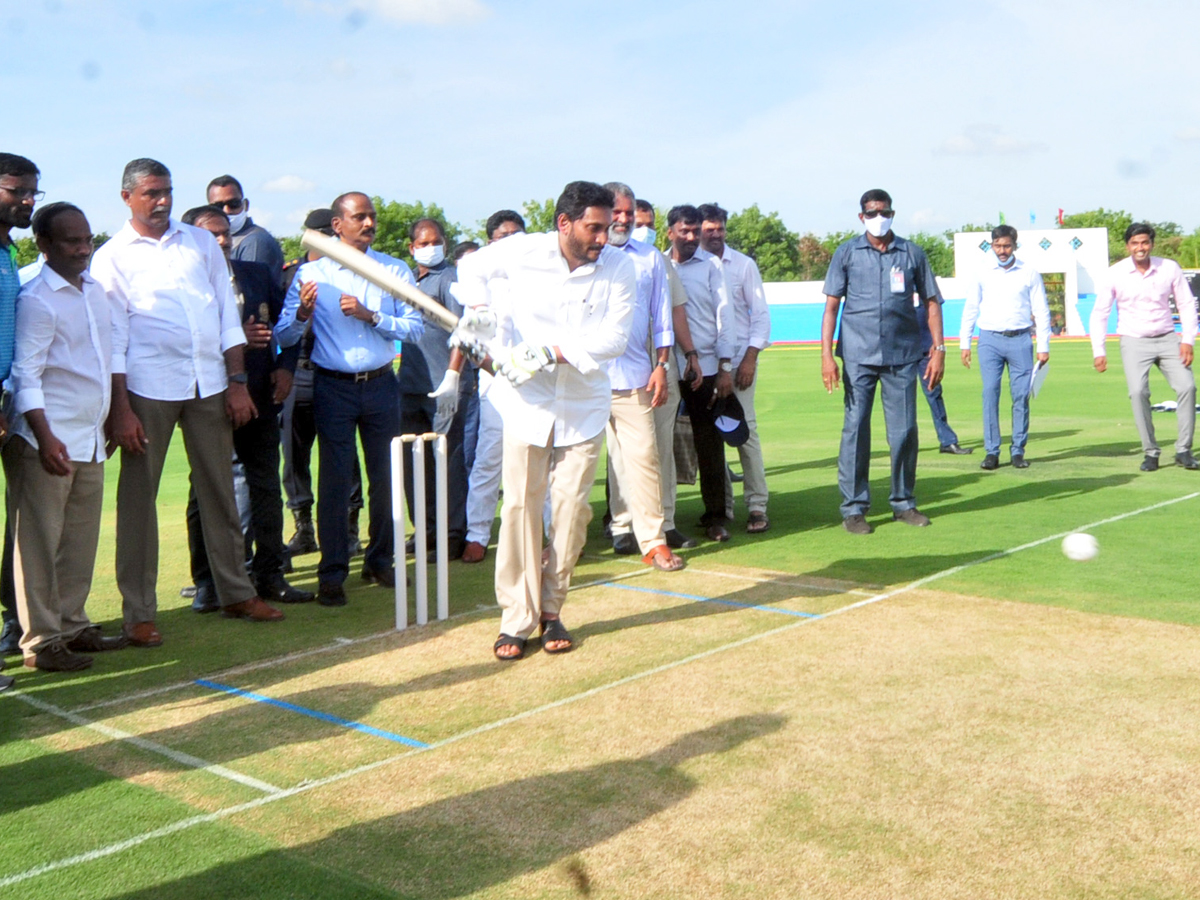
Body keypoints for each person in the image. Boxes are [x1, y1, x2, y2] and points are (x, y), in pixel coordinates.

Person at [92, 158, 284, 647]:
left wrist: (237, 381)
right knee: (139, 502)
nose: (162, 201)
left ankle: (235, 592)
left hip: (210, 383)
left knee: (220, 491)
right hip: (145, 389)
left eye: (167, 192)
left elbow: (225, 315)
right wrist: (120, 409)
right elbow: (113, 338)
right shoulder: (111, 256)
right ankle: (138, 612)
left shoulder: (199, 242)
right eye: (151, 193)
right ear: (127, 197)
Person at [454, 181, 634, 660]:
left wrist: (549, 352)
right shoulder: (521, 251)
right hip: (526, 402)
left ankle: (552, 609)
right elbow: (470, 268)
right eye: (594, 228)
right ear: (564, 223)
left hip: (584, 405)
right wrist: (481, 314)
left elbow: (614, 339)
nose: (604, 237)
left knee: (571, 512)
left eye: (608, 226)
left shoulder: (620, 266)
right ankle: (517, 618)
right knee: (518, 508)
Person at [274, 191, 424, 605]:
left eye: (372, 216)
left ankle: (379, 561)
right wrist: (302, 315)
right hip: (332, 386)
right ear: (337, 225)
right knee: (336, 480)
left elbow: (415, 327)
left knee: (385, 477)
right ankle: (332, 572)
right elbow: (282, 336)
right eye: (360, 217)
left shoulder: (393, 270)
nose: (369, 224)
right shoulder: (312, 274)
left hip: (380, 383)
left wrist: (371, 316)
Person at [4, 202, 128, 671]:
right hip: (45, 441)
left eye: (87, 240)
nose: (82, 249)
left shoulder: (96, 291)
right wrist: (43, 433)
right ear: (44, 245)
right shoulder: (37, 299)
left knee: (78, 542)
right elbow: (26, 375)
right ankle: (40, 643)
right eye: (71, 242)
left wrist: (113, 415)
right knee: (36, 545)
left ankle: (73, 626)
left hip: (89, 437)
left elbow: (107, 356)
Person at [179, 205, 311, 609]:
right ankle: (207, 582)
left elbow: (287, 327)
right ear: (190, 237)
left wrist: (285, 368)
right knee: (206, 489)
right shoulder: (180, 282)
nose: (221, 241)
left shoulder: (254, 272)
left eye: (225, 234)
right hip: (207, 396)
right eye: (211, 234)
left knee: (265, 484)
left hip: (259, 393)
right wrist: (234, 338)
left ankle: (270, 574)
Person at [821, 189, 944, 534]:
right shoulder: (847, 253)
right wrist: (826, 356)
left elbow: (932, 303)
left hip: (902, 355)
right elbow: (831, 307)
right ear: (862, 216)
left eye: (884, 211)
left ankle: (903, 503)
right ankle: (854, 508)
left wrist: (939, 349)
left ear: (893, 213)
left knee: (904, 430)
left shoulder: (911, 253)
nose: (879, 217)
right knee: (856, 430)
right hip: (858, 357)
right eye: (872, 212)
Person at [601, 182, 683, 570]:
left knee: (645, 458)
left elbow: (662, 317)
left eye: (628, 213)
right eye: (615, 212)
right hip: (584, 378)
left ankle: (652, 540)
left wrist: (662, 366)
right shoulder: (585, 253)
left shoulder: (649, 258)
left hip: (635, 376)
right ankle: (559, 540)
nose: (622, 219)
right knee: (571, 466)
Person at [279, 209, 364, 564]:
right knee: (294, 454)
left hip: (335, 372)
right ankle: (303, 528)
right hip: (299, 369)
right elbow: (281, 331)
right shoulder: (293, 275)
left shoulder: (354, 271)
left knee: (343, 454)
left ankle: (349, 528)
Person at [1090, 222, 1199, 471]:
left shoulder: (1168, 268)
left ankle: (1183, 450)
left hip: (1168, 337)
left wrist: (1187, 340)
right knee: (1138, 392)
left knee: (1187, 387)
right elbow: (1100, 313)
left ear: (1152, 243)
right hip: (1134, 340)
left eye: (1145, 242)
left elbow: (1186, 304)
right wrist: (1099, 351)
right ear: (1128, 246)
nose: (1141, 248)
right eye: (1135, 243)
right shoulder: (1115, 273)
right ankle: (1151, 452)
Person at [399, 217, 471, 560]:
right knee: (414, 461)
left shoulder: (450, 279)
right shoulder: (407, 279)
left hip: (443, 384)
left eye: (435, 241)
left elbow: (463, 331)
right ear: (412, 248)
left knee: (447, 460)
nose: (430, 248)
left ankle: (452, 533)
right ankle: (425, 531)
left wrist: (453, 376)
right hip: (411, 384)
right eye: (423, 243)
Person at [698, 203, 772, 534]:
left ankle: (757, 505)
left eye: (720, 229)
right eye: (708, 230)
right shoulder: (688, 265)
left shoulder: (742, 266)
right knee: (708, 437)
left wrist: (750, 359)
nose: (715, 235)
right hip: (700, 366)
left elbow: (761, 316)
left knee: (745, 433)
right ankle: (722, 508)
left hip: (739, 363)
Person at [628, 200, 696, 549]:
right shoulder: (604, 260)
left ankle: (665, 523)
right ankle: (623, 525)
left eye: (647, 222)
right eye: (634, 221)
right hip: (620, 373)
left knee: (662, 449)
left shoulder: (658, 261)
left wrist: (690, 355)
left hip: (661, 366)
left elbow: (676, 312)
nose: (641, 227)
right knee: (622, 454)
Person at [461, 210, 527, 564]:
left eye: (519, 235)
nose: (513, 243)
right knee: (488, 461)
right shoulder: (477, 281)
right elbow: (468, 341)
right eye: (505, 237)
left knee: (541, 463)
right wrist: (492, 367)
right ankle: (477, 534)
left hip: (538, 382)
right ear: (491, 243)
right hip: (496, 385)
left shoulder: (541, 278)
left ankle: (547, 534)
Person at [667, 204, 735, 543]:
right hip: (666, 366)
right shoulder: (658, 264)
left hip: (706, 366)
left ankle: (716, 517)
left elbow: (725, 315)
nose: (692, 237)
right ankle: (655, 521)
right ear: (671, 233)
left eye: (696, 231)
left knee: (709, 444)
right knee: (655, 444)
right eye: (685, 231)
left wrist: (725, 367)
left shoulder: (711, 266)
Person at [960, 225, 1050, 469]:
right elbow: (971, 307)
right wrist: (964, 342)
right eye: (998, 246)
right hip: (989, 339)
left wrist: (1043, 345)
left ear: (1015, 246)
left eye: (1007, 246)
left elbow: (1041, 310)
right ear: (992, 246)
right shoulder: (982, 272)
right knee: (990, 393)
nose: (1002, 250)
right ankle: (992, 451)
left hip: (1020, 340)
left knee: (1020, 396)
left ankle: (1018, 450)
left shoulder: (1029, 273)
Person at [0, 153, 40, 679]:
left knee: (17, 524)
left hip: (10, 403)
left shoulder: (9, 248)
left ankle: (19, 625)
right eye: (16, 190)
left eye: (33, 191)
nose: (27, 199)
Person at [916, 299, 971, 456]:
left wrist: (936, 342)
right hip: (900, 349)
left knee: (933, 393)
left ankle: (947, 441)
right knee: (901, 399)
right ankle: (903, 443)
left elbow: (934, 308)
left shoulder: (922, 279)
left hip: (926, 347)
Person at [206, 175, 284, 284]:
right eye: (218, 206)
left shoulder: (255, 241)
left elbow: (251, 290)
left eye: (233, 204)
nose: (227, 211)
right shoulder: (210, 240)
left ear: (245, 205)